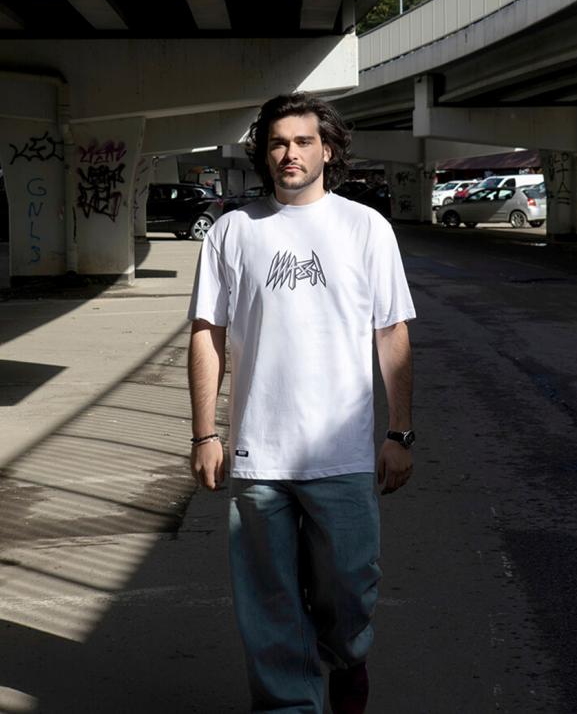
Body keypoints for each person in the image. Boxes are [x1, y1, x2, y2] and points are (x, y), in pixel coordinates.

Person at [187, 92, 416, 714]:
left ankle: (346, 657)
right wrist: (205, 433)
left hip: (342, 455)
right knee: (268, 604)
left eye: (303, 141)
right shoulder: (234, 231)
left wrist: (399, 433)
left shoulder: (365, 228)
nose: (290, 153)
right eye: (277, 143)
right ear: (264, 154)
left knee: (349, 590)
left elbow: (391, 332)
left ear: (328, 149)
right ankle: (290, 705)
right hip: (259, 456)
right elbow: (207, 332)